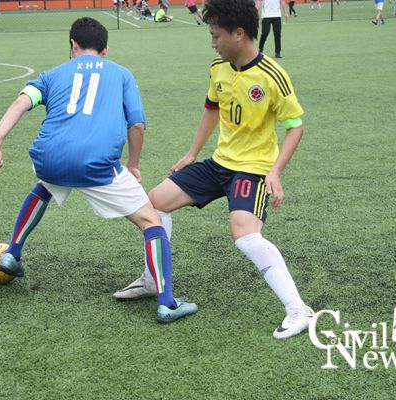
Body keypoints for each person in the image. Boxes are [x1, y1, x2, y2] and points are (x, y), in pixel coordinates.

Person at [113, 0, 314, 339]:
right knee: (154, 204)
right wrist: (192, 153)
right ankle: (152, 279)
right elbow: (212, 109)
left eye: (216, 36)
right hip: (219, 164)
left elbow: (295, 127)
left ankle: (298, 309)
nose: (212, 43)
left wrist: (275, 171)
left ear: (239, 34)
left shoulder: (272, 75)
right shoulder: (218, 68)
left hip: (253, 170)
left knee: (245, 235)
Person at [0, 17, 197, 324]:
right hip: (96, 162)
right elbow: (137, 125)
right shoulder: (121, 74)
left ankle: (12, 253)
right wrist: (133, 165)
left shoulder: (52, 74)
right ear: (105, 50)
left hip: (49, 157)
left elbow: (21, 102)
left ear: (73, 44)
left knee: (46, 184)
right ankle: (167, 303)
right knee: (152, 222)